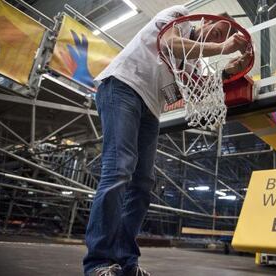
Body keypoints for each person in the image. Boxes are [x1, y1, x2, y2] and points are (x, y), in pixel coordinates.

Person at [83, 5, 251, 276]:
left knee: (142, 185)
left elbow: (193, 93)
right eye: (217, 32)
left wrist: (228, 73)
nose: (216, 40)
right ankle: (98, 262)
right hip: (122, 86)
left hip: (151, 107)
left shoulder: (193, 62)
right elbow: (172, 43)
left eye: (222, 39)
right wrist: (224, 49)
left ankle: (127, 263)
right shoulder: (180, 17)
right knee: (118, 170)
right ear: (205, 21)